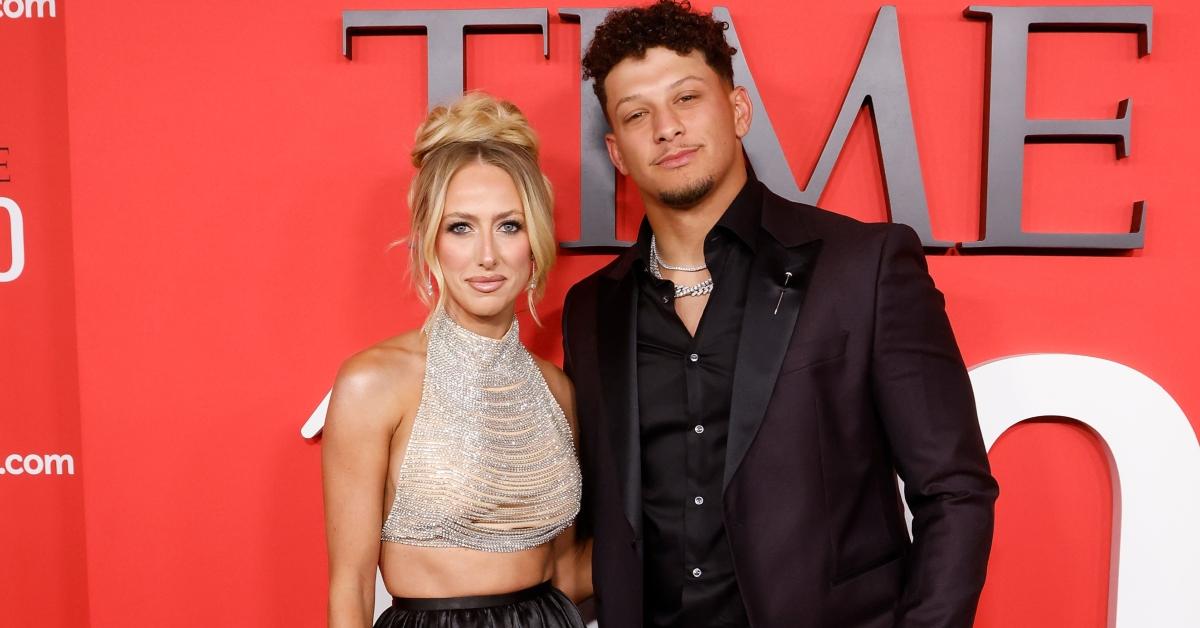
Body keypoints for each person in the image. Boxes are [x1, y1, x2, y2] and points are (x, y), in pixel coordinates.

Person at [561, 2, 999, 627]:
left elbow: (955, 492)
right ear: (618, 151)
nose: (666, 128)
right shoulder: (591, 308)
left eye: (687, 98)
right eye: (637, 114)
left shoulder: (862, 267)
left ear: (737, 111)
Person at [322, 92, 590, 628]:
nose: (487, 255)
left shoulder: (557, 389)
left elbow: (566, 572)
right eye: (461, 227)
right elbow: (350, 587)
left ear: (534, 240)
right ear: (429, 242)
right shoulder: (373, 383)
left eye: (509, 226)